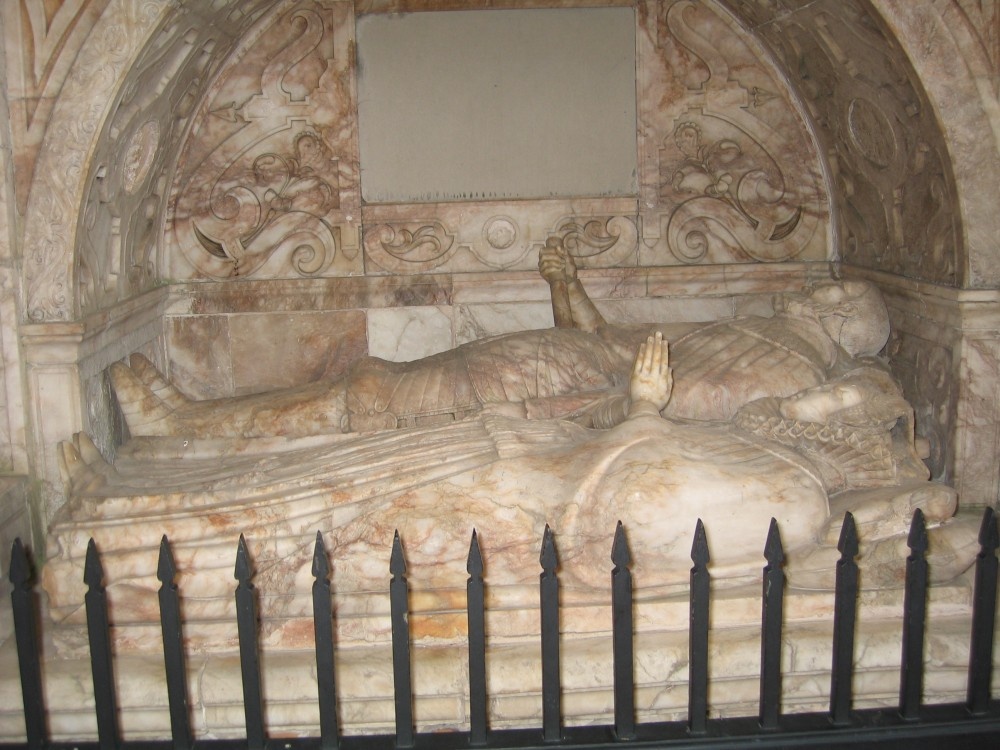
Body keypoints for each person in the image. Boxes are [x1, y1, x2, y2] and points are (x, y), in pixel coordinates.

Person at [52, 335, 975, 624]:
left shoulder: (793, 498)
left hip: (506, 506)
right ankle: (140, 485)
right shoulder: (771, 458)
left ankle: (106, 549)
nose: (815, 402)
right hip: (508, 458)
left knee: (305, 520)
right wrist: (634, 407)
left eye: (835, 405)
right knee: (310, 480)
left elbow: (635, 509)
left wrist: (645, 410)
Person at [109, 238, 893, 439]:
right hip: (569, 363)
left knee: (379, 398)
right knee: (380, 384)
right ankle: (195, 424)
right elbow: (619, 341)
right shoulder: (751, 330)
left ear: (844, 325)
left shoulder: (785, 364)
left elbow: (695, 417)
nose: (820, 286)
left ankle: (188, 426)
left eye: (838, 292)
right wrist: (564, 284)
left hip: (559, 397)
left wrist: (640, 405)